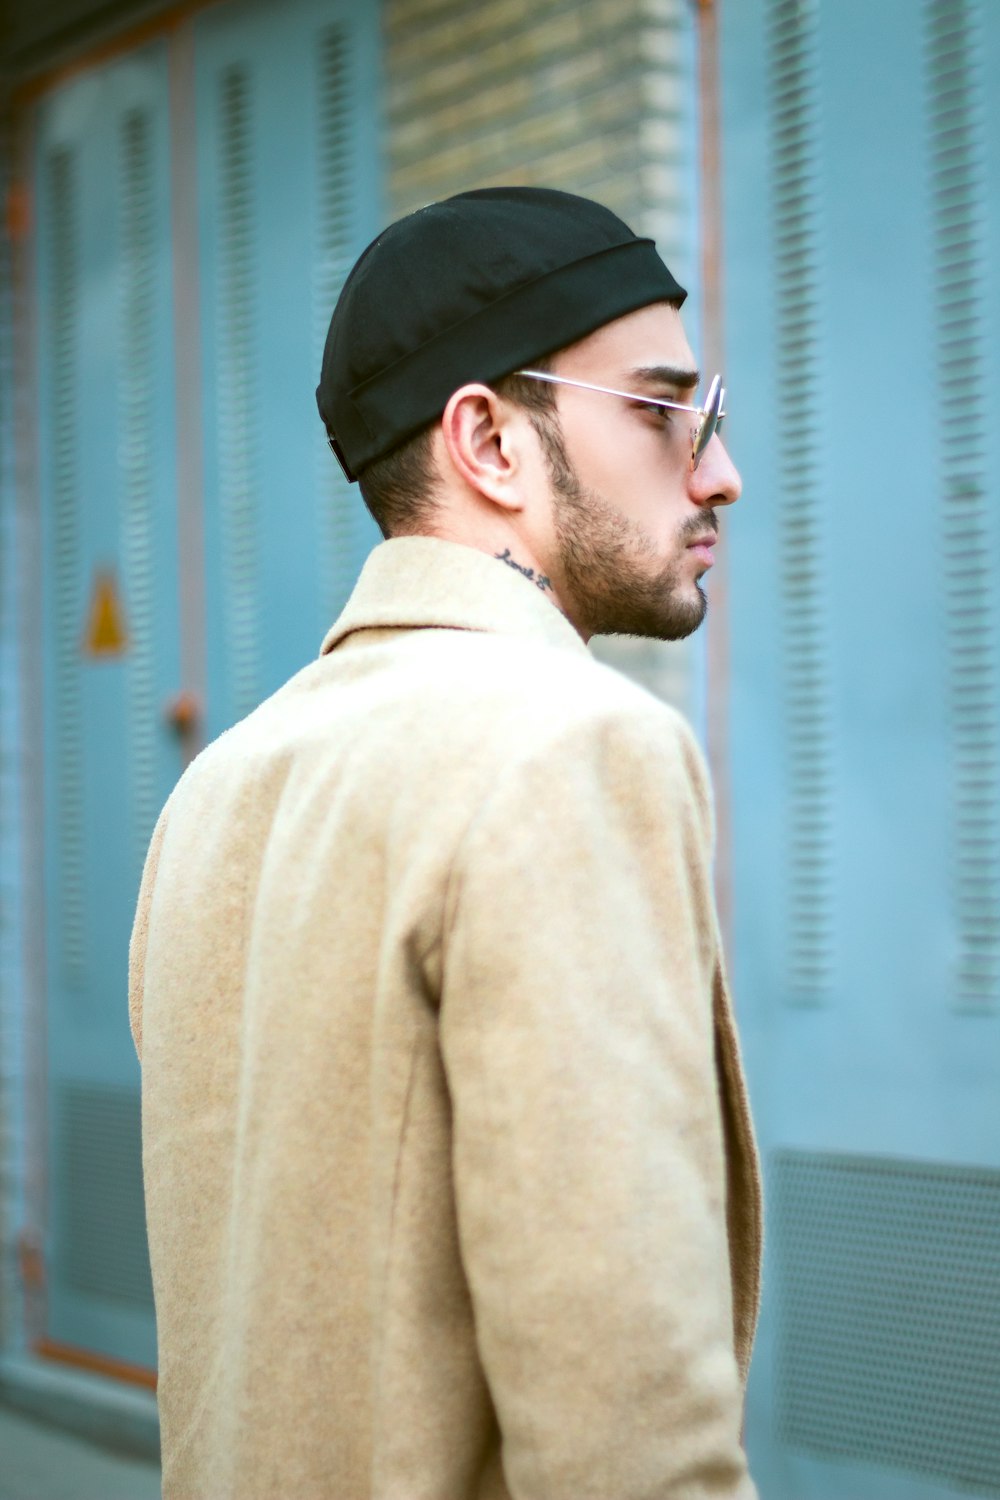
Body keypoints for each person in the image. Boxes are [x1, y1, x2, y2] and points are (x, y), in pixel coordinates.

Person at [129, 186, 762, 1500]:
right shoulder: (573, 747)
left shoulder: (217, 792)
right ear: (490, 439)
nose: (719, 470)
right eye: (660, 410)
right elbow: (626, 1433)